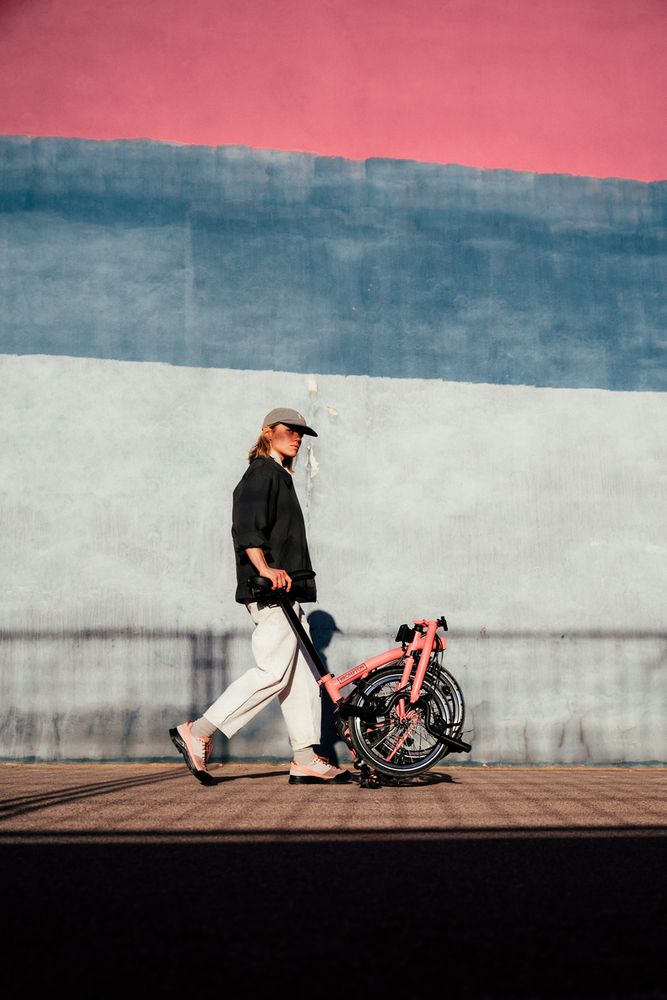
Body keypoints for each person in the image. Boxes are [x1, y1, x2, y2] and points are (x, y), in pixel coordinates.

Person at [170, 406, 350, 785]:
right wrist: (265, 569)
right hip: (271, 593)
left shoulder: (280, 476)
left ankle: (305, 758)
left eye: (302, 433)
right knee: (273, 672)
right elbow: (246, 527)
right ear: (268, 432)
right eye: (290, 430)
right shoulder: (262, 473)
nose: (297, 438)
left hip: (288, 594)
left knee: (303, 676)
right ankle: (198, 731)